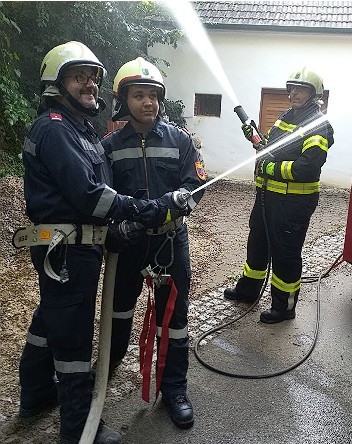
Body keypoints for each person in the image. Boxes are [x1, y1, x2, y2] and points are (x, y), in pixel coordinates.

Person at [17, 42, 186, 444]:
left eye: (93, 77)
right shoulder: (56, 128)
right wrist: (143, 211)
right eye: (79, 77)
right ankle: (78, 427)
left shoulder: (78, 129)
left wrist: (115, 229)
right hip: (68, 249)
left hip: (78, 247)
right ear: (55, 83)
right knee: (73, 335)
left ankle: (36, 394)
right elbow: (91, 196)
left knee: (51, 320)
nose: (89, 84)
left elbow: (93, 197)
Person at [101, 57, 206, 429]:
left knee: (173, 319)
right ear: (123, 100)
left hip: (170, 242)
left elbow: (196, 186)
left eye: (153, 95)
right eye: (139, 95)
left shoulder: (180, 140)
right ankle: (105, 374)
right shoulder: (109, 146)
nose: (148, 102)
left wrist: (171, 207)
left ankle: (174, 389)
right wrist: (116, 228)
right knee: (117, 312)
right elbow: (102, 196)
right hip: (128, 246)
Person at [224, 67, 334, 324]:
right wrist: (257, 138)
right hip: (268, 197)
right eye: (292, 88)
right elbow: (271, 149)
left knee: (285, 253)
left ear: (314, 94)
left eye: (301, 89)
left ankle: (284, 307)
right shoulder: (286, 116)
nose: (294, 93)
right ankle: (248, 290)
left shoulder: (318, 125)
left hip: (293, 203)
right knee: (258, 243)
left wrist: (270, 168)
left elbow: (306, 167)